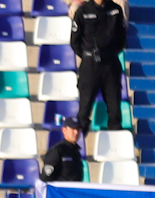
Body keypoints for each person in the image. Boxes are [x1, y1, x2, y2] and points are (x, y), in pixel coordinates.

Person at [71, 0, 128, 132]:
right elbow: (75, 41)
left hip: (110, 64)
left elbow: (121, 37)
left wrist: (110, 53)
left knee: (114, 109)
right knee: (84, 110)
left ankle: (116, 145)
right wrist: (88, 56)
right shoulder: (83, 12)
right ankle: (78, 148)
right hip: (90, 66)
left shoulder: (115, 10)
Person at [40, 118, 85, 183]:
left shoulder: (76, 151)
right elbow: (46, 178)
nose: (76, 132)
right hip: (60, 191)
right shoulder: (57, 151)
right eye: (73, 129)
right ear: (64, 130)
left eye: (78, 129)